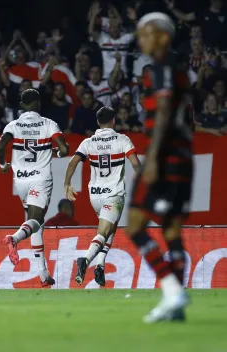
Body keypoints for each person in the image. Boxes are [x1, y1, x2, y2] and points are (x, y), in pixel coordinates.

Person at [128, 13, 193, 323]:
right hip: (182, 157)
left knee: (135, 225)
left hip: (165, 157)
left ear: (164, 37)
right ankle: (176, 305)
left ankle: (171, 290)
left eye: (147, 33)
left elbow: (165, 111)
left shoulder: (163, 67)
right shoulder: (177, 69)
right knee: (171, 229)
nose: (142, 39)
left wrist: (153, 159)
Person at [0, 89, 69, 287]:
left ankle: (43, 274)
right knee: (36, 220)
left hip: (20, 181)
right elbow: (65, 149)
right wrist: (58, 153)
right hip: (40, 179)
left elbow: (0, 145)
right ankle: (14, 238)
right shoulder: (48, 123)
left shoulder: (14, 125)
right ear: (38, 104)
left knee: (35, 222)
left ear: (22, 105)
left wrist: (3, 165)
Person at [64, 107, 141, 287]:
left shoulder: (88, 142)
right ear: (113, 120)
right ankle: (86, 259)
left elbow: (73, 162)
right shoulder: (122, 140)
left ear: (98, 122)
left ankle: (100, 265)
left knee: (110, 227)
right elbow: (136, 163)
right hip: (113, 195)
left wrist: (67, 184)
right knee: (103, 232)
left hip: (95, 197)